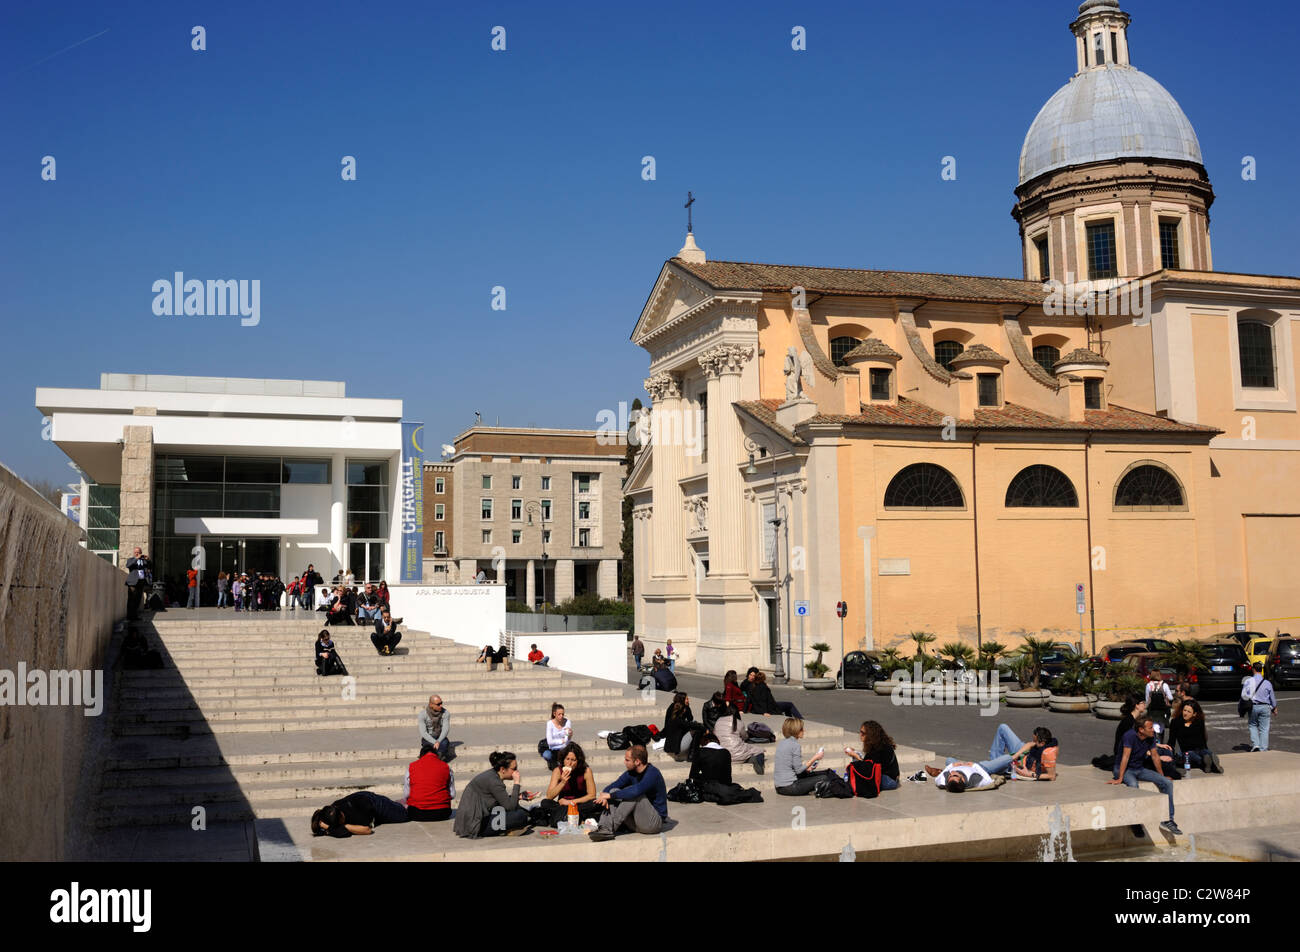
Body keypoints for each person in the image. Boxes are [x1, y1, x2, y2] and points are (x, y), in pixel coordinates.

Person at [1108, 716, 1182, 835]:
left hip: (1139, 768)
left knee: (1167, 783)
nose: (1153, 729)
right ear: (1141, 730)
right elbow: (1125, 757)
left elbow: (1155, 757)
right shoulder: (1129, 736)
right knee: (1133, 785)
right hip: (1124, 769)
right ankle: (1134, 822)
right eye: (1150, 727)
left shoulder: (1150, 737)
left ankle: (1168, 819)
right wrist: (1120, 778)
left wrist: (1161, 776)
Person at [589, 745, 668, 841]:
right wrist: (604, 796)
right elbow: (614, 785)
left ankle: (609, 828)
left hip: (653, 824)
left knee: (634, 794)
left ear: (637, 761)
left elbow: (636, 790)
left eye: (627, 760)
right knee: (614, 791)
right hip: (636, 823)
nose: (624, 762)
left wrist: (610, 796)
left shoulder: (653, 773)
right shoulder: (631, 773)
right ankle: (604, 828)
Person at [452, 751, 536, 838]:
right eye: (514, 769)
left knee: (521, 811)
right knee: (520, 815)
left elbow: (502, 802)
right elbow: (510, 807)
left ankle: (507, 828)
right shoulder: (494, 782)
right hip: (475, 825)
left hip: (472, 819)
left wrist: (519, 796)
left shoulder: (493, 775)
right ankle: (505, 830)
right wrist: (517, 783)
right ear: (503, 769)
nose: (516, 772)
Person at [538, 742, 602, 827]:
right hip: (562, 804)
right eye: (567, 759)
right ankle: (575, 816)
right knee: (545, 803)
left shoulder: (586, 771)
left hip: (579, 803)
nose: (569, 763)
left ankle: (564, 816)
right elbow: (549, 796)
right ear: (563, 759)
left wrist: (570, 802)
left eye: (573, 760)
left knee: (595, 804)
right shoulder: (557, 771)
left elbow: (591, 795)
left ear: (578, 761)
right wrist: (563, 782)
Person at [774, 718, 838, 795]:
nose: (804, 731)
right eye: (801, 729)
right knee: (824, 777)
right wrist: (815, 758)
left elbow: (791, 767)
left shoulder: (782, 742)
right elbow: (798, 770)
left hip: (779, 786)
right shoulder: (795, 745)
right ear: (796, 730)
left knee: (819, 773)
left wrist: (808, 768)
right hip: (789, 787)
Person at [311, 790, 408, 837]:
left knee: (404, 815)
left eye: (339, 822)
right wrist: (328, 827)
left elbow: (367, 830)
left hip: (375, 803)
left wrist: (345, 826)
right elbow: (337, 831)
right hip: (361, 802)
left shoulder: (357, 811)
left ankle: (399, 803)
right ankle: (395, 803)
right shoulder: (329, 811)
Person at [1167, 698, 1221, 773]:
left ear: (1194, 714)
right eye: (1184, 710)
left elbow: (1203, 741)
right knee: (1190, 755)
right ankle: (1208, 764)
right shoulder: (1175, 722)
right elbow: (1171, 741)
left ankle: (1211, 762)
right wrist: (1169, 754)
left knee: (1206, 753)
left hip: (1200, 749)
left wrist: (1206, 751)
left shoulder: (1199, 722)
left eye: (1189, 711)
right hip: (1187, 751)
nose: (1185, 713)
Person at [845, 720, 901, 791]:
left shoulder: (878, 748)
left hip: (888, 781)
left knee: (857, 780)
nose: (860, 735)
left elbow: (868, 769)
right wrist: (855, 754)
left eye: (863, 733)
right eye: (860, 732)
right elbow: (869, 763)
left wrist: (855, 756)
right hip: (892, 778)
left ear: (870, 734)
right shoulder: (880, 744)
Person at [714, 701, 766, 774]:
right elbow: (745, 737)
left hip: (723, 755)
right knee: (760, 751)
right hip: (737, 752)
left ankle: (749, 759)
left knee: (744, 752)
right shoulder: (739, 722)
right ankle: (757, 763)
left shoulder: (718, 721)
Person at [404, 748, 454, 821]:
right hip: (442, 813)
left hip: (416, 813)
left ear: (421, 756)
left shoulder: (412, 766)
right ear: (436, 755)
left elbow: (406, 794)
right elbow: (452, 794)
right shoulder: (446, 766)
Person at [1242, 662, 1277, 752]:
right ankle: (1263, 748)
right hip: (1265, 707)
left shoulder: (1248, 681)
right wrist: (1274, 707)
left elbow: (1244, 696)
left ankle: (1256, 744)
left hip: (1253, 706)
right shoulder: (1267, 683)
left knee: (1252, 725)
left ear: (1253, 669)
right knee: (1264, 728)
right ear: (1261, 670)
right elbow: (1272, 696)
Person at [662, 692, 703, 761]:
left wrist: (687, 707)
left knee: (695, 725)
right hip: (675, 745)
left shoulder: (679, 710)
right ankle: (692, 755)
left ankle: (693, 753)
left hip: (674, 739)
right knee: (697, 730)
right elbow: (688, 722)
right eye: (687, 699)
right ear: (682, 699)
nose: (688, 700)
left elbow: (690, 719)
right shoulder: (677, 719)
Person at [924, 761, 997, 792]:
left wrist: (952, 765)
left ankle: (938, 771)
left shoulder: (943, 781)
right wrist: (974, 765)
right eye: (955, 775)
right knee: (1007, 758)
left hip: (959, 764)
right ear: (962, 779)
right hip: (979, 766)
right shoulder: (974, 779)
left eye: (950, 776)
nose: (951, 773)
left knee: (949, 760)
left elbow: (937, 780)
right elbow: (989, 781)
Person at [541, 703, 573, 767]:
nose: (561, 716)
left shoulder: (567, 722)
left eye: (563, 714)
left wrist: (570, 735)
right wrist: (561, 741)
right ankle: (553, 762)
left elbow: (567, 740)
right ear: (554, 714)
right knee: (546, 755)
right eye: (559, 714)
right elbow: (550, 742)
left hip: (564, 748)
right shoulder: (550, 723)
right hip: (553, 749)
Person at [419, 694, 450, 760]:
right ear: (431, 705)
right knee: (427, 745)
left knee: (444, 743)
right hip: (429, 737)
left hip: (440, 737)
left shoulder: (446, 713)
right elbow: (423, 732)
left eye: (441, 703)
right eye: (438, 704)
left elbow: (445, 730)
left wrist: (438, 741)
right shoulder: (422, 714)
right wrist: (434, 742)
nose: (441, 705)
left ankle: (437, 758)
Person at [124, 547, 152, 621]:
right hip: (133, 583)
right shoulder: (131, 560)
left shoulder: (144, 561)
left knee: (137, 600)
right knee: (131, 600)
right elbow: (128, 565)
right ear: (134, 553)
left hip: (141, 582)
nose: (137, 553)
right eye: (136, 552)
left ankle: (135, 616)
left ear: (141, 552)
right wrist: (136, 558)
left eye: (139, 552)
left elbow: (150, 566)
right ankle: (129, 617)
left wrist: (148, 560)